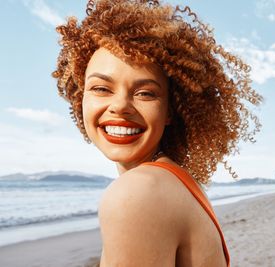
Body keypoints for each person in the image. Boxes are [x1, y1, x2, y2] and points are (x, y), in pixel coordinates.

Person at [52, 0, 262, 266]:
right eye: (101, 88)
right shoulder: (175, 182)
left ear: (171, 111)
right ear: (79, 97)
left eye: (145, 93)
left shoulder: (139, 193)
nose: (119, 106)